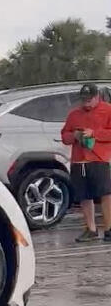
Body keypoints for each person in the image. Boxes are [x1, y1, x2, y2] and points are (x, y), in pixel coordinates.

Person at [61, 83, 111, 242]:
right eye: (84, 100)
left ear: (97, 97)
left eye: (89, 100)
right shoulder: (74, 114)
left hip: (99, 158)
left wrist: (94, 133)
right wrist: (74, 135)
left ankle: (109, 228)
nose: (86, 103)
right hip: (79, 160)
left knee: (105, 193)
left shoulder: (108, 110)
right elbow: (64, 135)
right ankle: (91, 229)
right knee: (84, 195)